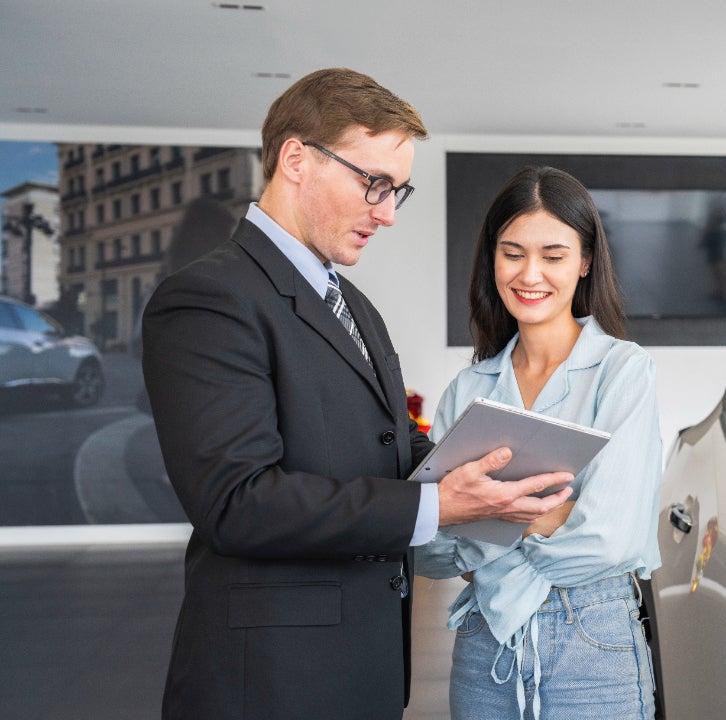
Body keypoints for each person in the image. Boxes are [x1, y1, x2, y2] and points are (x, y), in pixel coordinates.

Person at [141, 68, 571, 720]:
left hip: (361, 669)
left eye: (399, 191)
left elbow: (386, 440)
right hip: (271, 685)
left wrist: (490, 470)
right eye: (374, 184)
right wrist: (435, 507)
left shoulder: (356, 306)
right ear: (296, 159)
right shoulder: (210, 298)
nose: (388, 214)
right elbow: (237, 501)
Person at [416, 166, 663, 719]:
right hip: (485, 642)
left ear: (585, 262)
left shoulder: (622, 371)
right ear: (493, 259)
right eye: (513, 253)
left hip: (593, 639)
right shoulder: (468, 389)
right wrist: (551, 511)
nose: (531, 274)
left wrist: (479, 509)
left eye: (553, 255)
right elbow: (428, 549)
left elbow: (610, 536)